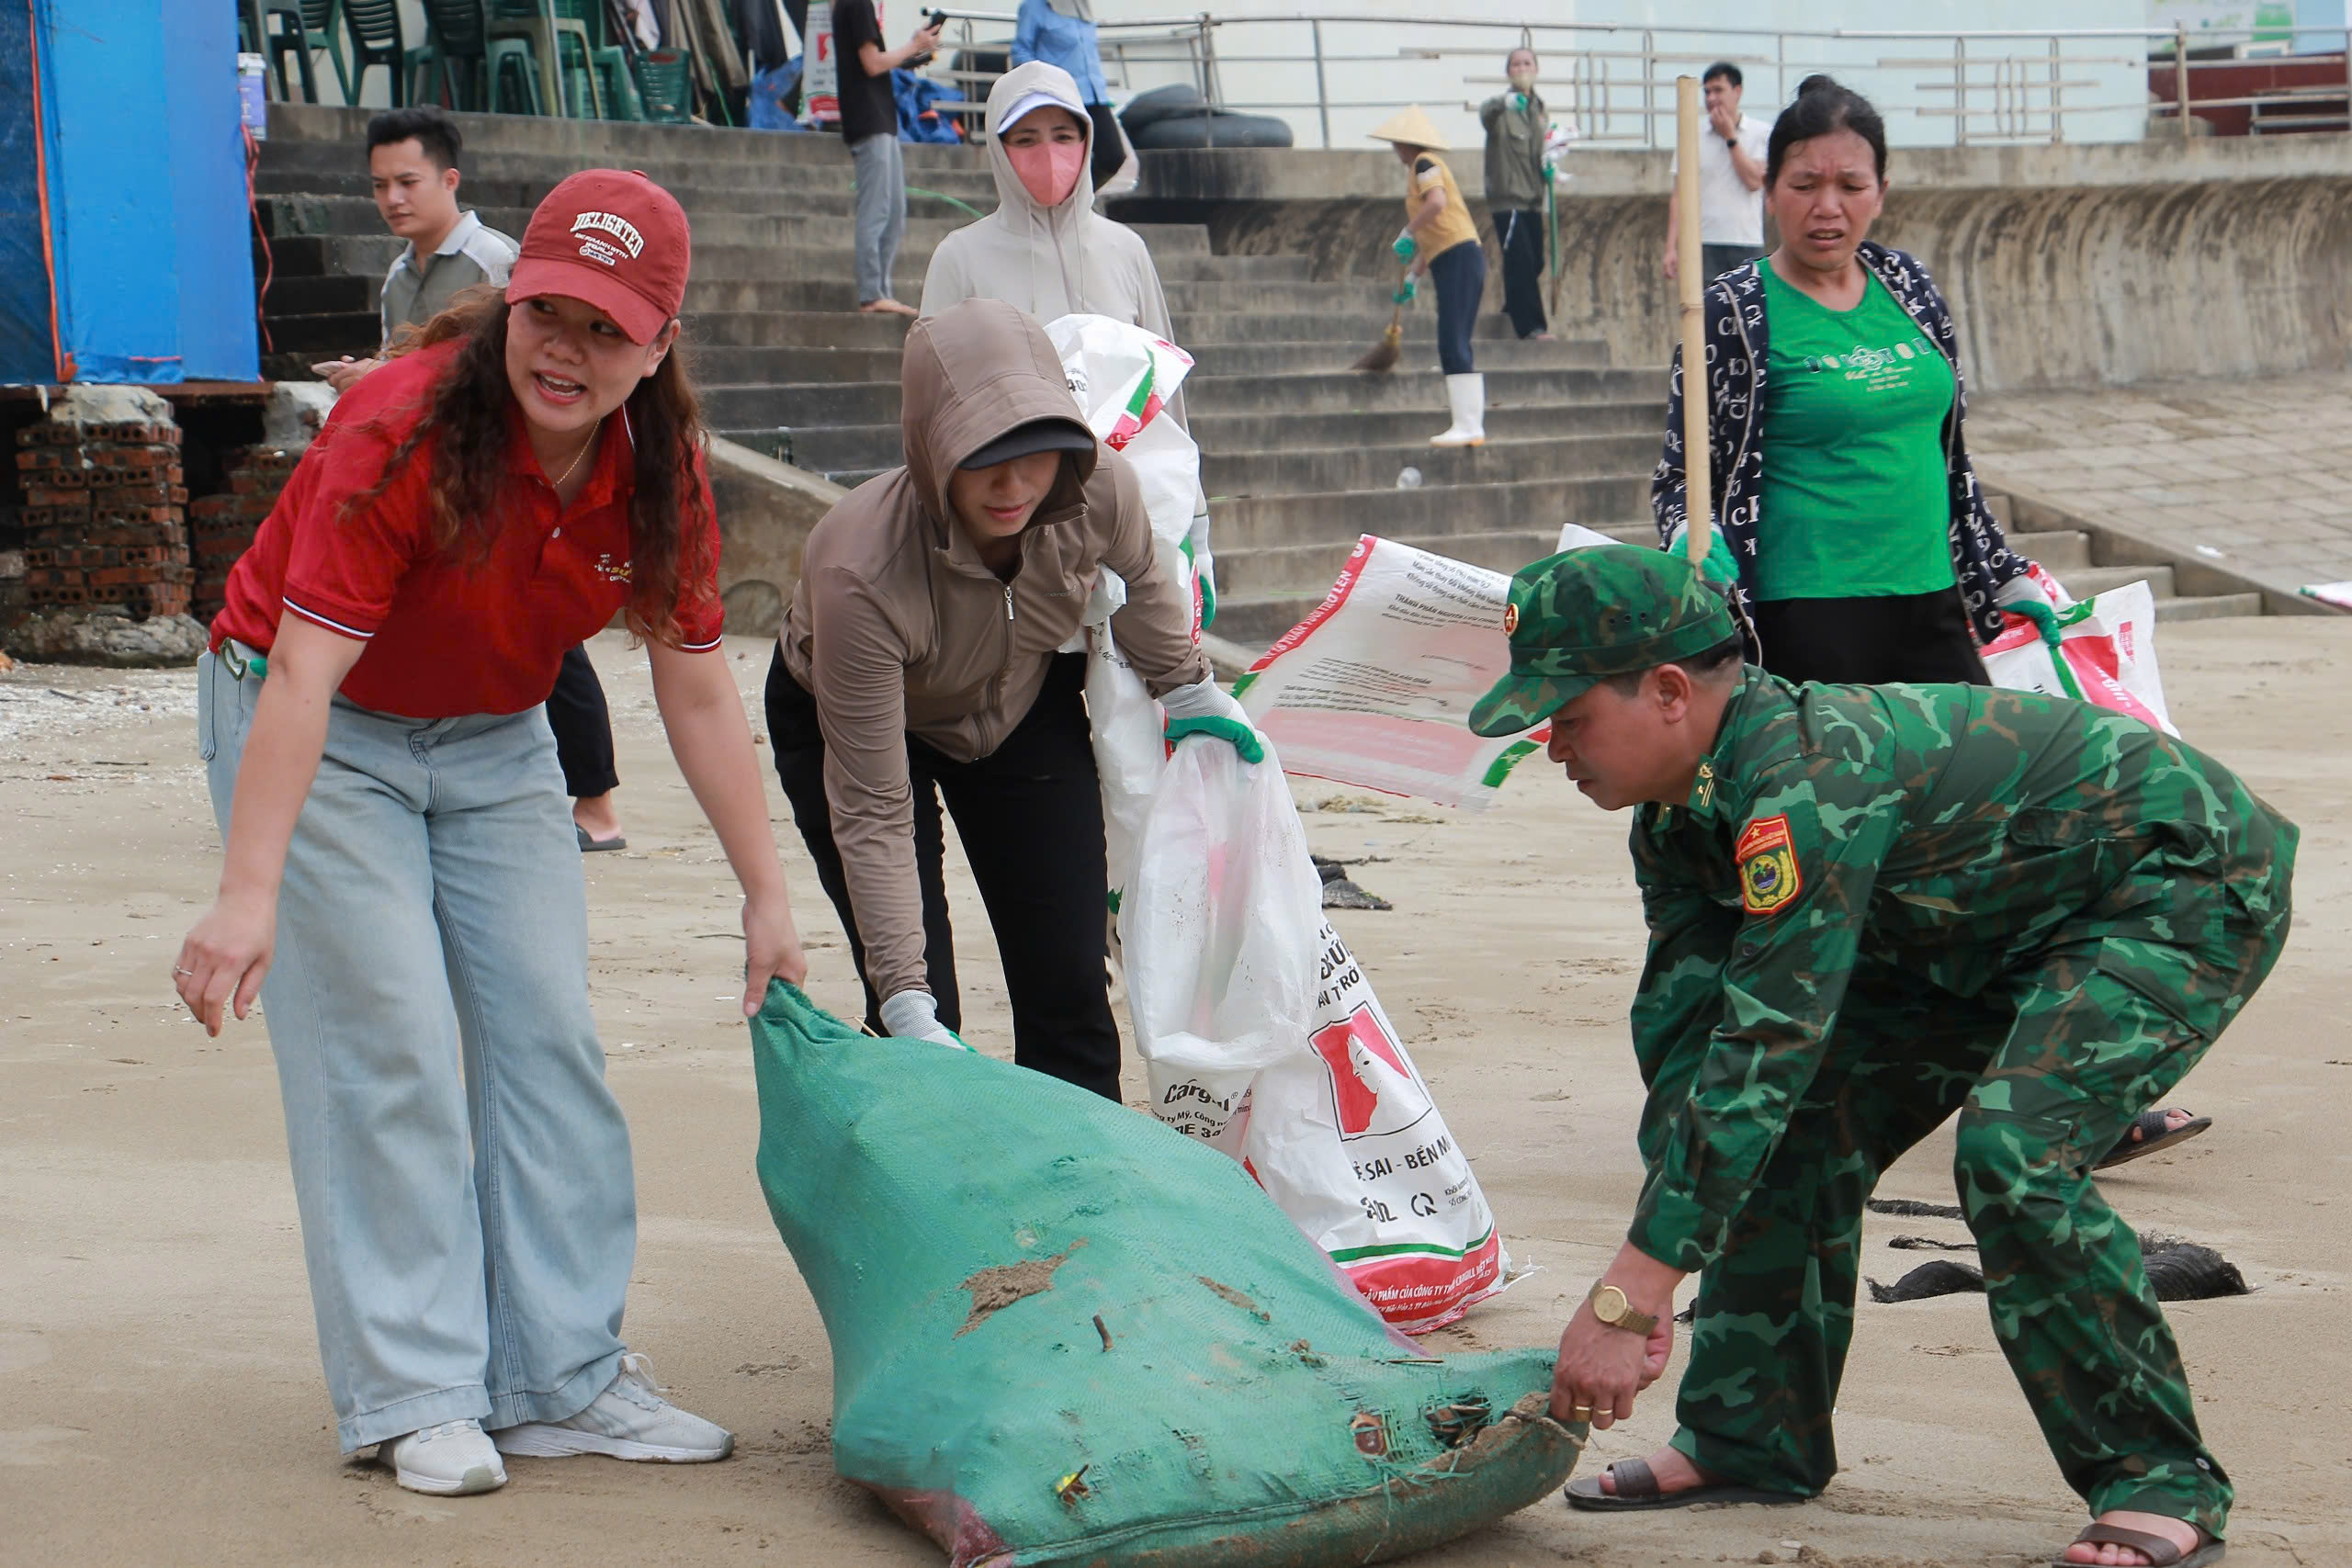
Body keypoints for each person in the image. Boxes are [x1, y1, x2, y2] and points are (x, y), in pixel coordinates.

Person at [174, 170, 808, 1498]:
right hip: (323, 724)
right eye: (552, 313)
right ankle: (418, 1387)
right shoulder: (399, 425)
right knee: (391, 1041)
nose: (569, 350)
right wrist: (248, 891)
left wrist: (768, 890)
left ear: (659, 345)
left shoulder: (658, 468)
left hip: (497, 733)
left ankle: (562, 1375)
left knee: (547, 1038)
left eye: (608, 328)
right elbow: (300, 674)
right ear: (513, 299)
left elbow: (696, 685)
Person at [1469, 544, 2290, 1568]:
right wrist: (1662, 1256)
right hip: (1967, 925)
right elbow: (1692, 1050)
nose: (1553, 747)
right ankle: (1750, 1436)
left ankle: (2160, 1481)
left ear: (1669, 691)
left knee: (2014, 1157)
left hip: (2174, 885)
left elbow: (1772, 1034)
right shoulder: (1678, 821)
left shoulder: (1807, 783)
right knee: (1786, 1135)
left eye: (1571, 714)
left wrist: (1627, 1291)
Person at [1656, 78, 2208, 1173]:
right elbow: (1685, 477)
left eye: (1849, 183)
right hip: (1803, 628)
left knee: (2000, 850)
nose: (1827, 204)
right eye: (1804, 182)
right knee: (1822, 865)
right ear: (1772, 193)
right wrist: (1689, 542)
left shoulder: (1908, 286)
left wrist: (1997, 572)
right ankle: (1760, 1097)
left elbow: (1950, 464)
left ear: (1881, 190)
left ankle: (2053, 1091)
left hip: (1927, 615)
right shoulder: (1732, 309)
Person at [763, 297, 1260, 1099]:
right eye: (982, 455)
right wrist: (903, 996)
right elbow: (875, 806)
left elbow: (1145, 582)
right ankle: (925, 1179)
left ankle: (1083, 1200)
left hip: (1018, 706)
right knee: (921, 1005)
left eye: (1038, 452)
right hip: (851, 725)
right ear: (931, 448)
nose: (1013, 484)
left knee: (1068, 986)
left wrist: (1190, 689)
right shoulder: (860, 570)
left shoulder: (1099, 489)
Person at [315, 107, 628, 852]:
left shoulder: (497, 261)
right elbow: (413, 367)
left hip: (515, 471)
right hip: (437, 479)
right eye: (380, 185)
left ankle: (597, 803)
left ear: (449, 179)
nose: (393, 198)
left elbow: (515, 362)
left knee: (552, 638)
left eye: (408, 181)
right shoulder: (399, 275)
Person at [920, 61, 1214, 620]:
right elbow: (932, 404)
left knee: (1131, 695)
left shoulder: (1125, 251)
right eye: (1026, 139)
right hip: (1014, 520)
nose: (1048, 154)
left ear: (1087, 138)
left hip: (1128, 517)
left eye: (1063, 135)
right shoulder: (960, 257)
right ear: (998, 149)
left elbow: (1165, 395)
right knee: (1033, 694)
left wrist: (1195, 532)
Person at [1371, 105, 1488, 448]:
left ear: (1406, 144)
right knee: (1453, 339)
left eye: (1397, 144)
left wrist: (1407, 230)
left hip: (1459, 257)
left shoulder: (1424, 164)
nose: (1396, 150)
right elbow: (1437, 232)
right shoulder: (1424, 167)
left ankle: (1468, 425)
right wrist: (1415, 277)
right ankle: (1468, 424)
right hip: (1453, 256)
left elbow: (1436, 203)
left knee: (1453, 339)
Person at [831, 0, 941, 316]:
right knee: (878, 209)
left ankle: (881, 291)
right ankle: (871, 293)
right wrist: (913, 45)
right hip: (869, 119)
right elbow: (872, 63)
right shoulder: (857, 4)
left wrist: (912, 51)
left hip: (879, 118)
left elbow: (873, 63)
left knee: (894, 210)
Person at [1663, 62, 1768, 285]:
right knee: (1706, 315)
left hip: (1746, 240)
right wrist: (1671, 247)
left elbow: (1754, 181)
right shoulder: (1691, 133)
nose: (1711, 98)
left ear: (1737, 91)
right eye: (1707, 92)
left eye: (1718, 90)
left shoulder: (1761, 133)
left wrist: (1730, 136)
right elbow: (1678, 195)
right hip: (1703, 242)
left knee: (1748, 314)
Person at [1478, 47, 1555, 342]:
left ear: (1536, 68)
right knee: (1520, 259)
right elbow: (1486, 113)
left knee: (1535, 260)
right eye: (1516, 64)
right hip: (1507, 198)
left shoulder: (1539, 109)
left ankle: (1511, 311)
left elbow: (1542, 148)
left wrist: (1552, 164)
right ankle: (1532, 327)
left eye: (1527, 63)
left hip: (1533, 198)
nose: (1522, 68)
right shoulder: (1501, 109)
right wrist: (1504, 102)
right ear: (1508, 71)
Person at [1011, 0, 1127, 191]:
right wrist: (1043, 82)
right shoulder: (1034, 6)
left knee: (1113, 156)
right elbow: (1020, 51)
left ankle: (1074, 199)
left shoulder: (1082, 7)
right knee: (1066, 160)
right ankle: (1064, 206)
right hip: (1060, 98)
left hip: (1095, 96)